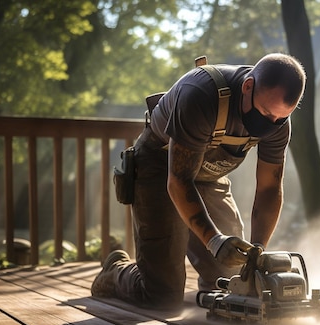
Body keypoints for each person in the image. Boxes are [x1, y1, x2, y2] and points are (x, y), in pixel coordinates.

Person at [91, 53, 306, 311]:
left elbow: (270, 188)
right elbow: (178, 181)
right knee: (162, 295)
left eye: (280, 119)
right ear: (248, 86)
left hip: (208, 175)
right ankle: (114, 271)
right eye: (265, 113)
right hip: (161, 169)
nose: (270, 125)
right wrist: (214, 240)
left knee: (230, 279)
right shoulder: (200, 95)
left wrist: (258, 250)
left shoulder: (277, 120)